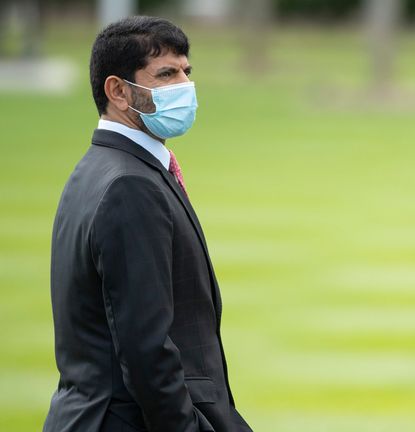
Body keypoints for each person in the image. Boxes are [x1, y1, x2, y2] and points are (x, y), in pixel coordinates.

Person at [43, 16, 252, 432]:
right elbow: (145, 348)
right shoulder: (128, 185)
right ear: (118, 91)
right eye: (166, 74)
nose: (184, 87)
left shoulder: (98, 168)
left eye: (186, 72)